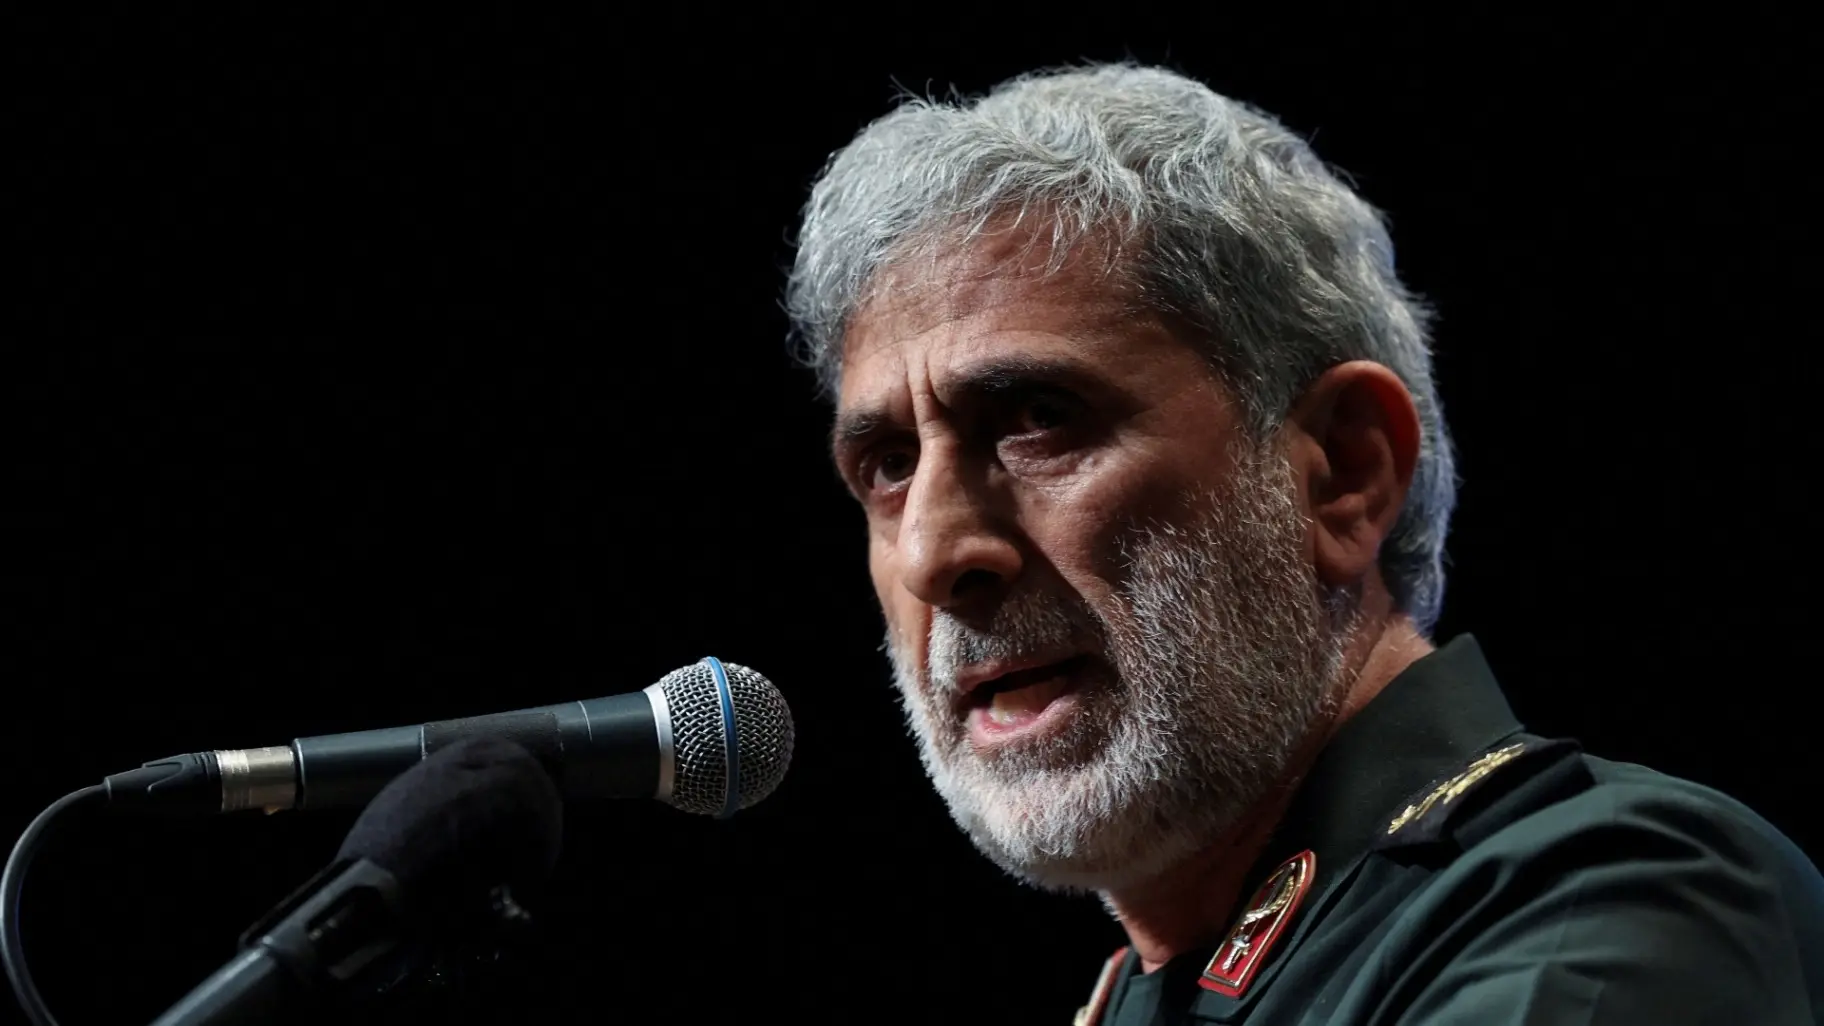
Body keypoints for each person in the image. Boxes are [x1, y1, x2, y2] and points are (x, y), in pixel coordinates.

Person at [784, 64, 1824, 1024]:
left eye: (1039, 419)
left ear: (1343, 475)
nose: (933, 554)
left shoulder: (1607, 899)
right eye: (888, 465)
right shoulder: (1163, 983)